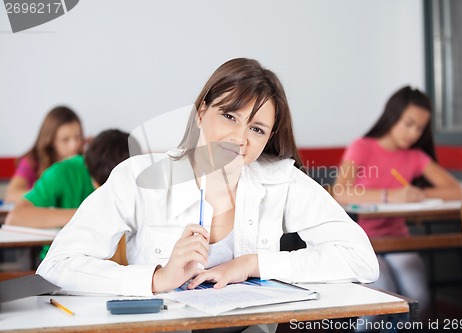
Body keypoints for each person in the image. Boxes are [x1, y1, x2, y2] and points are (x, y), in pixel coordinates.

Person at [37, 58, 378, 301]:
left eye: (256, 128)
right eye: (229, 115)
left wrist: (251, 264)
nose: (239, 138)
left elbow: (361, 259)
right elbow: (56, 266)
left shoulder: (280, 180)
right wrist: (157, 279)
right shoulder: (139, 178)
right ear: (201, 113)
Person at [334, 86, 462, 321]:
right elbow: (341, 192)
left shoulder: (415, 156)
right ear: (392, 116)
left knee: (420, 298)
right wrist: (391, 195)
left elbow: (458, 192)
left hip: (399, 239)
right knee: (378, 302)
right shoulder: (362, 147)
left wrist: (418, 193)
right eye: (409, 123)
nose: (413, 133)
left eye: (420, 128)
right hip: (363, 243)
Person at [6, 129, 132, 259]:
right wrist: (88, 214)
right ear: (94, 182)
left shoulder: (135, 174)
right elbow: (15, 217)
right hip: (64, 263)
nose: (73, 145)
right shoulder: (62, 172)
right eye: (65, 139)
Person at [5, 106, 84, 204]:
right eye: (65, 139)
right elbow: (11, 194)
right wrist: (45, 194)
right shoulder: (32, 161)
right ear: (50, 140)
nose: (74, 145)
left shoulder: (84, 160)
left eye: (78, 137)